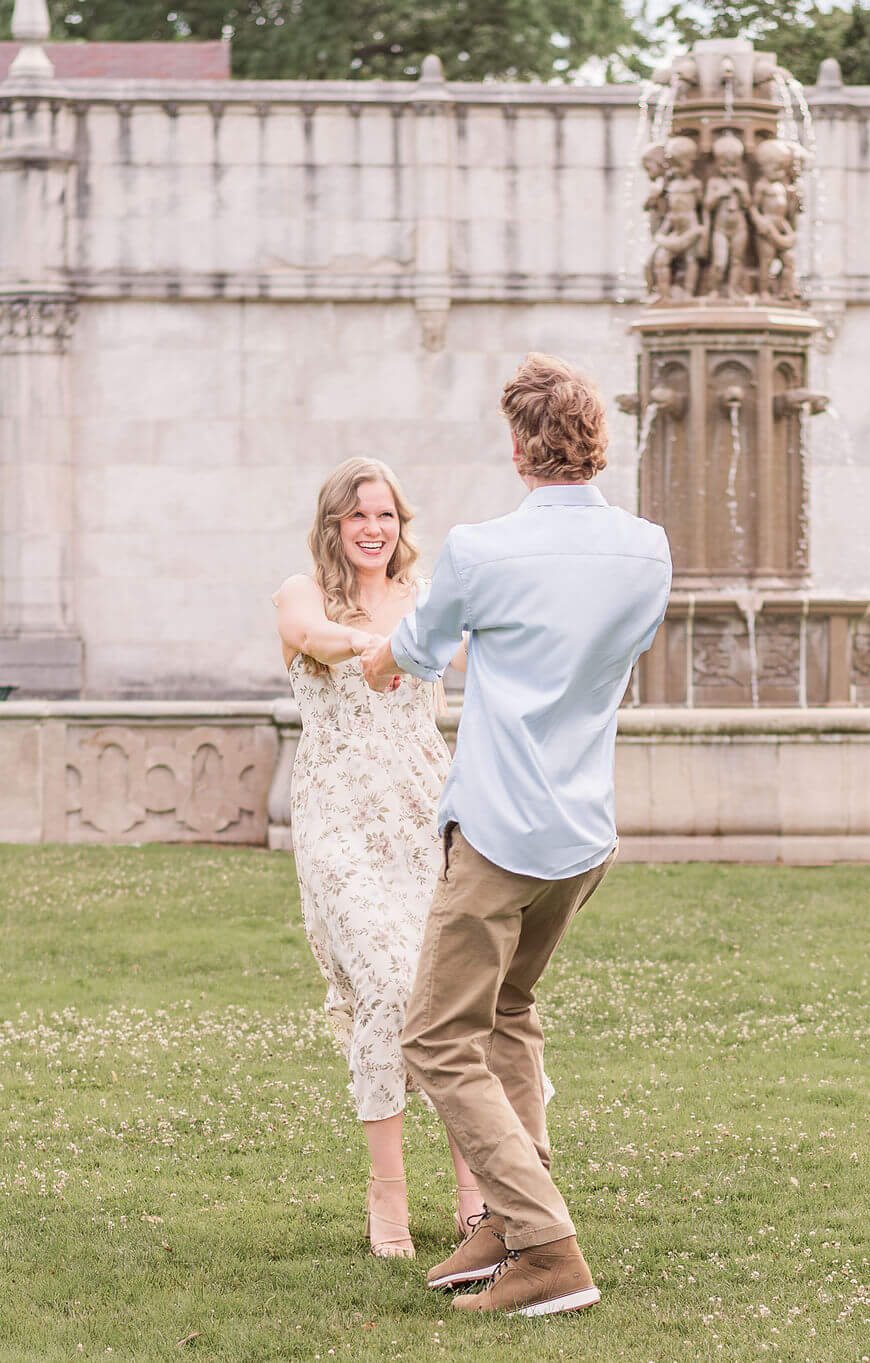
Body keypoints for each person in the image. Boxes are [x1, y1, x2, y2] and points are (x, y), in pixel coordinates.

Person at [360, 353, 673, 1317]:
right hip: (583, 832)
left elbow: (412, 653)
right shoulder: (649, 549)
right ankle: (505, 1210)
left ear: (519, 445)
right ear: (595, 443)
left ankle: (546, 1243)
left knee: (435, 1033)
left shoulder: (481, 549)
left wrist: (376, 662)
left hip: (499, 830)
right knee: (507, 1012)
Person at [271, 457, 482, 1261]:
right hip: (338, 819)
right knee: (390, 986)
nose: (373, 529)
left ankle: (475, 1192)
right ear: (334, 524)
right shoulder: (301, 594)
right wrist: (382, 645)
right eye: (358, 515)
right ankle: (387, 1191)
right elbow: (318, 642)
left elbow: (485, 660)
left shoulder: (430, 605)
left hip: (424, 812)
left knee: (449, 994)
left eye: (386, 516)